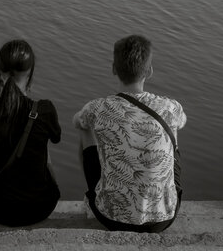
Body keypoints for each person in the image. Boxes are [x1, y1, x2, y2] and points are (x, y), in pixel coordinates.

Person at [73, 35, 187, 233]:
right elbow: (182, 121)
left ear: (113, 69)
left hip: (110, 218)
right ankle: (161, 197)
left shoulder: (98, 107)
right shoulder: (170, 107)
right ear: (149, 71)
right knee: (172, 128)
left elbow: (76, 121)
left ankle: (92, 195)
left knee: (85, 128)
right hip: (164, 219)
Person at [0, 39, 61, 227]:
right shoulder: (45, 110)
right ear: (30, 74)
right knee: (39, 140)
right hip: (39, 208)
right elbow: (56, 138)